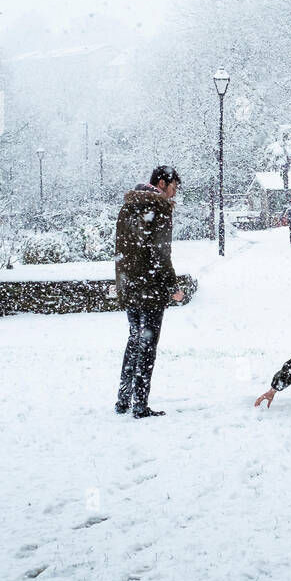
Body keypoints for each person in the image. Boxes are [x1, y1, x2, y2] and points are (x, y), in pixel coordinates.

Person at [114, 165, 185, 418]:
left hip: (132, 285)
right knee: (147, 346)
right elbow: (161, 254)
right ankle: (140, 405)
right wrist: (173, 286)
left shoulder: (129, 206)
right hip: (151, 287)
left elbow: (121, 250)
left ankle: (123, 399)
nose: (174, 194)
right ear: (163, 183)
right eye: (174, 187)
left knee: (135, 340)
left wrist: (124, 282)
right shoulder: (159, 208)